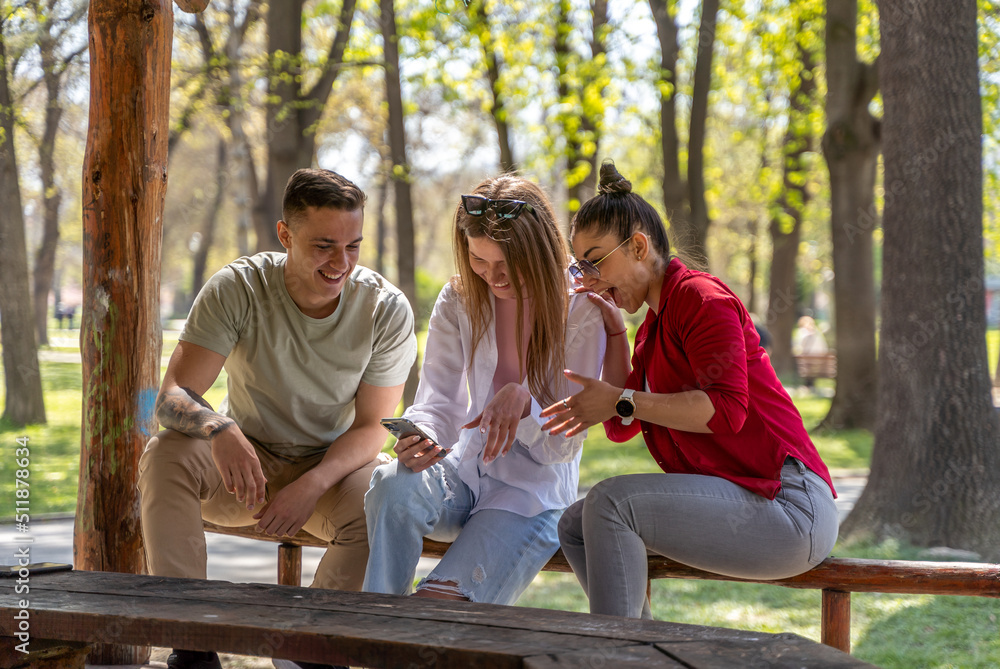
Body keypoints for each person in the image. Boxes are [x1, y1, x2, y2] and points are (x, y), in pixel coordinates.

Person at [138, 168, 416, 669]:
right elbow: (172, 396)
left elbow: (374, 426)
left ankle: (313, 647)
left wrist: (313, 482)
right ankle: (192, 643)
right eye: (325, 245)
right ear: (285, 234)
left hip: (332, 473)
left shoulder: (384, 308)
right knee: (165, 453)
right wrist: (218, 428)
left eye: (354, 246)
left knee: (388, 498)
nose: (342, 263)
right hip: (244, 470)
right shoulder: (238, 287)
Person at [540, 161, 839, 619]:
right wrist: (617, 337)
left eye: (595, 260)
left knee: (609, 504)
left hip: (790, 508)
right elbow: (623, 427)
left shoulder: (702, 300)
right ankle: (638, 648)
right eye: (581, 265)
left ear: (638, 246)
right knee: (575, 525)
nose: (590, 276)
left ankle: (618, 655)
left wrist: (620, 400)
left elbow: (725, 410)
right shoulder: (652, 328)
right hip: (752, 501)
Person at [362, 175, 607, 605]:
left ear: (537, 252)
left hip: (531, 496)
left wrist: (526, 400)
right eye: (478, 260)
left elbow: (561, 449)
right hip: (465, 470)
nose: (491, 277)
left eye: (505, 265)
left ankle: (390, 632)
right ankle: (379, 617)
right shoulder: (459, 298)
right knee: (389, 483)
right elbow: (439, 399)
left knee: (437, 613)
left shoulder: (582, 309)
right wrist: (422, 435)